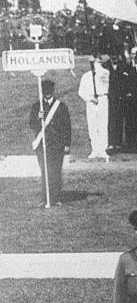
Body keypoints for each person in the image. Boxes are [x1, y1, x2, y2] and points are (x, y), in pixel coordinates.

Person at [28, 79, 71, 207]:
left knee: (56, 170)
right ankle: (45, 198)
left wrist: (67, 144)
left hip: (57, 144)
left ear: (52, 91)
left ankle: (55, 198)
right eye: (45, 91)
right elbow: (32, 125)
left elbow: (67, 126)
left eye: (49, 90)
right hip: (42, 143)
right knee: (44, 170)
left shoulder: (61, 106)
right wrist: (38, 118)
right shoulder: (37, 106)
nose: (47, 93)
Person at [78, 55, 110, 160]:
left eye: (98, 63)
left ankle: (102, 150)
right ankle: (95, 149)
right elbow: (81, 92)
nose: (96, 65)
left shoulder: (105, 73)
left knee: (102, 125)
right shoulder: (86, 76)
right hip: (91, 101)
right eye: (94, 63)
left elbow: (104, 80)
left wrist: (97, 70)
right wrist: (90, 99)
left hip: (102, 99)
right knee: (92, 126)